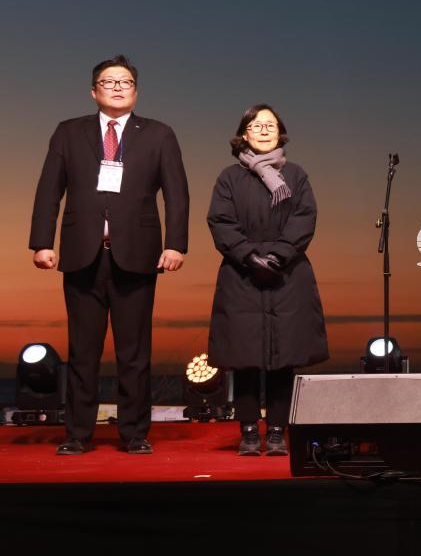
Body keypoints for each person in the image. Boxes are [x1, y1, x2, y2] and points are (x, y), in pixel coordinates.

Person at [29, 55, 189, 455]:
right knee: (82, 351)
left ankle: (134, 433)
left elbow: (177, 194)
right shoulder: (69, 131)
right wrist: (42, 242)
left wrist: (176, 244)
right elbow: (49, 190)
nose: (117, 87)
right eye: (109, 81)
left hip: (138, 254)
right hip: (82, 254)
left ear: (136, 91)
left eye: (125, 82)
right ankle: (77, 434)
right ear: (93, 91)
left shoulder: (159, 134)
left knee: (134, 352)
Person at [207, 104, 328, 456]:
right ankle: (248, 431)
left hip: (286, 273)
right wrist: (248, 256)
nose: (264, 130)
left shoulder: (296, 175)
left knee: (283, 357)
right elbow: (220, 221)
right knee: (244, 356)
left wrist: (278, 255)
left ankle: (276, 432)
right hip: (241, 272)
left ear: (280, 132)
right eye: (256, 125)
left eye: (270, 125)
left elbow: (305, 217)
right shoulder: (229, 177)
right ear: (244, 133)